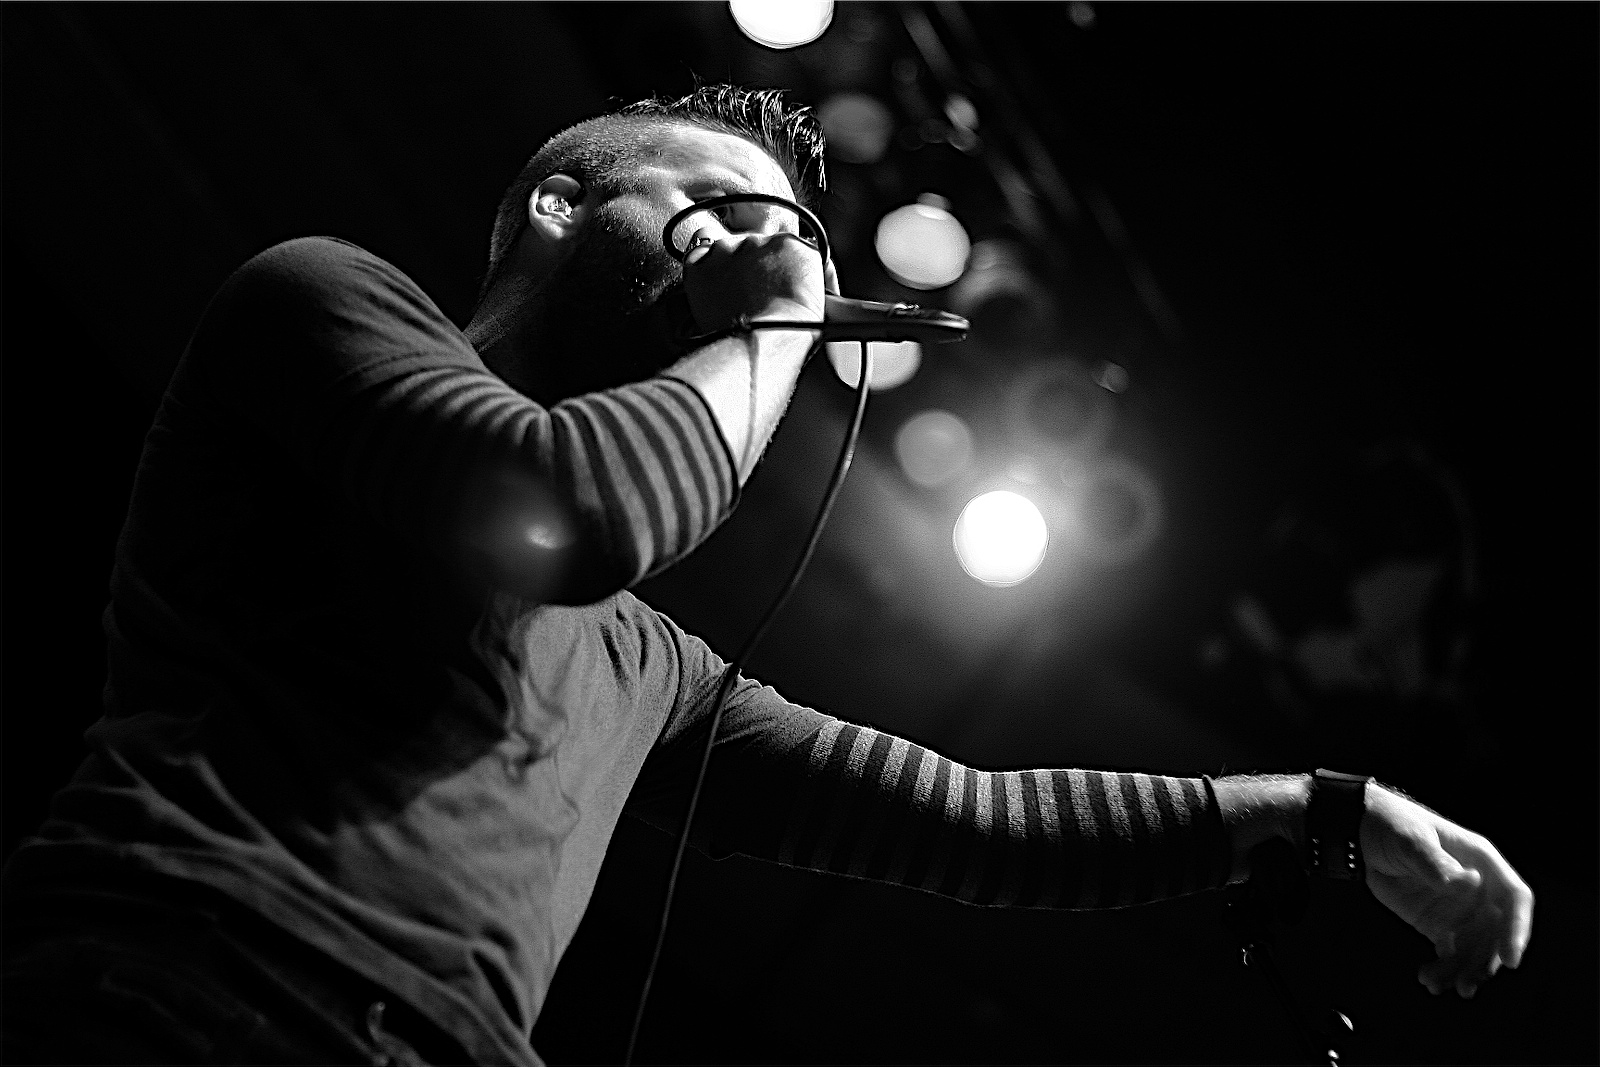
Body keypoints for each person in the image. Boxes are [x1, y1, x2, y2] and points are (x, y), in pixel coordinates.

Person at [1, 85, 1532, 1065]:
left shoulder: (650, 673)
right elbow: (573, 510)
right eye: (728, 218)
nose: (773, 264)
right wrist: (776, 322)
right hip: (172, 984)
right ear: (560, 204)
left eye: (795, 249)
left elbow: (968, 815)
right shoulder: (323, 303)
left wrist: (1321, 813)